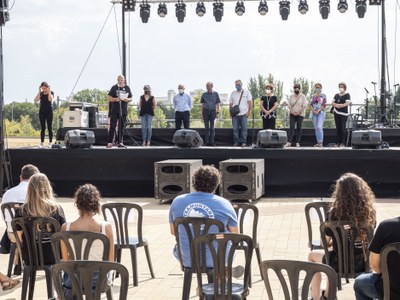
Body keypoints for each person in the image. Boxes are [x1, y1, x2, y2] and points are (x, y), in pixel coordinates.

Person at [308, 173, 376, 300]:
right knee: (333, 252)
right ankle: (327, 295)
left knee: (312, 256)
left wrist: (337, 242)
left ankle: (317, 297)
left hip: (336, 263)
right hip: (363, 263)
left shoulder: (334, 214)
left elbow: (324, 243)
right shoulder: (369, 213)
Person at [169, 165, 238, 269]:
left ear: (193, 182)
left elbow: (174, 232)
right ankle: (222, 275)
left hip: (188, 260)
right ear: (216, 184)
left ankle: (209, 280)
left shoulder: (177, 201)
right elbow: (234, 235)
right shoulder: (224, 204)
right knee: (226, 237)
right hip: (216, 259)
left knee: (179, 245)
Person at [61, 184, 114, 297]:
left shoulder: (66, 228)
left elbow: (66, 261)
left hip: (73, 280)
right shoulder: (106, 227)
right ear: (96, 204)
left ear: (77, 204)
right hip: (98, 281)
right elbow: (110, 261)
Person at [15, 173, 66, 266]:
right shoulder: (56, 209)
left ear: (29, 189)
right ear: (48, 188)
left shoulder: (21, 211)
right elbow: (63, 234)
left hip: (30, 257)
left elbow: (19, 238)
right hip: (54, 256)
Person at [1, 164, 40, 273]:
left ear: (20, 177)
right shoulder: (36, 194)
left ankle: (18, 262)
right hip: (33, 235)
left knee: (15, 228)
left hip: (12, 234)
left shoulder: (7, 194)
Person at [354, 216, 400, 300]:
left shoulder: (386, 226)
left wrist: (386, 274)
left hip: (389, 290)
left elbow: (374, 264)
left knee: (359, 283)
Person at [106, 75, 132, 148]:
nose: (120, 81)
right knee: (112, 126)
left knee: (121, 127)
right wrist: (115, 99)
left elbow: (131, 98)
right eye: (119, 80)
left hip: (123, 110)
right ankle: (110, 142)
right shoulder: (114, 87)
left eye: (121, 80)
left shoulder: (127, 88)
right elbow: (109, 97)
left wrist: (127, 99)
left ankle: (120, 142)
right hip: (114, 110)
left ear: (124, 80)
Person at [229, 80, 252, 147]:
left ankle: (243, 142)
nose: (237, 86)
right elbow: (230, 103)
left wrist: (249, 112)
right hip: (235, 114)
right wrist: (230, 112)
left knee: (244, 129)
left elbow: (250, 102)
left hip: (244, 113)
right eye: (236, 85)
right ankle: (236, 142)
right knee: (235, 129)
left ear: (241, 84)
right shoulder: (233, 93)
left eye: (238, 84)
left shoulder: (246, 92)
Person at [286, 83, 307, 147]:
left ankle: (297, 142)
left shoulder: (302, 96)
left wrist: (299, 112)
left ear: (299, 89)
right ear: (294, 89)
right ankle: (289, 142)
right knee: (291, 127)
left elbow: (304, 106)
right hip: (292, 114)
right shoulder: (291, 96)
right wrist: (292, 112)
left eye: (297, 88)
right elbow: (289, 105)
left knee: (299, 127)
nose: (296, 89)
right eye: (295, 88)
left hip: (300, 114)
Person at [34, 82, 54, 147]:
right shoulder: (41, 93)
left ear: (47, 87)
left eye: (45, 88)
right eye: (42, 88)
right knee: (43, 128)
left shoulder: (51, 93)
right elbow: (36, 100)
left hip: (49, 112)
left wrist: (49, 91)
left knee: (49, 128)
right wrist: (39, 91)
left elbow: (50, 99)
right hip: (42, 112)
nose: (44, 89)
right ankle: (42, 143)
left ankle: (50, 142)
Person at [201, 82, 221, 146]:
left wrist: (217, 113)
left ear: (212, 86)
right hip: (205, 111)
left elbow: (218, 104)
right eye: (206, 86)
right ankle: (206, 142)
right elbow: (202, 105)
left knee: (212, 128)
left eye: (208, 86)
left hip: (213, 111)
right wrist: (202, 115)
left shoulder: (215, 94)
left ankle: (212, 142)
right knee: (206, 127)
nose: (207, 87)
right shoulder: (204, 94)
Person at [332, 82, 351, 147]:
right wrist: (336, 105)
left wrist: (341, 105)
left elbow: (347, 103)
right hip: (336, 112)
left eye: (342, 86)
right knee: (338, 128)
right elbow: (332, 102)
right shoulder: (336, 95)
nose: (340, 88)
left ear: (344, 87)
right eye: (340, 86)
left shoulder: (347, 95)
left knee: (343, 128)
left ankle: (343, 143)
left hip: (343, 113)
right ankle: (338, 142)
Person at [310, 83, 327, 148]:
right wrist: (313, 111)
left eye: (319, 87)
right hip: (314, 113)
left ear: (321, 88)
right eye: (316, 87)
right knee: (316, 128)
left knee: (319, 127)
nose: (317, 88)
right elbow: (311, 104)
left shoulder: (323, 95)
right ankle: (318, 142)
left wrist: (318, 110)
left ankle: (321, 142)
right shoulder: (312, 96)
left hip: (321, 112)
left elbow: (324, 105)